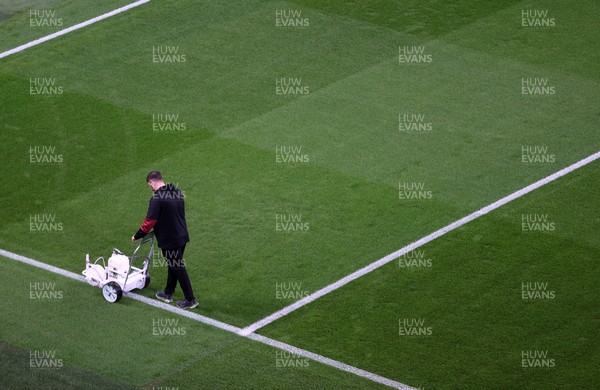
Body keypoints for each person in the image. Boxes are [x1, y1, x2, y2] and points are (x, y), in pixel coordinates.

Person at [132, 171, 198, 309]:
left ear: (152, 182)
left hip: (170, 240)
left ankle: (190, 299)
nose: (150, 187)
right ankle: (168, 293)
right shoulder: (176, 192)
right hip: (182, 236)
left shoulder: (157, 199)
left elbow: (149, 222)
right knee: (173, 265)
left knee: (178, 267)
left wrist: (137, 235)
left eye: (149, 185)